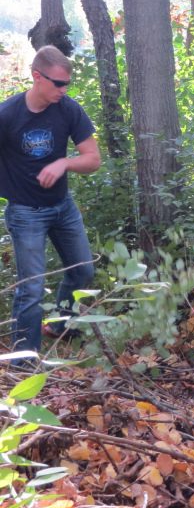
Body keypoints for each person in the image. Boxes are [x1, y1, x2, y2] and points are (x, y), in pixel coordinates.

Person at [1, 45, 101, 355]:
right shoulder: (8, 115)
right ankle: (24, 360)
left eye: (66, 83)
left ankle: (59, 326)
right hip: (25, 212)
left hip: (62, 207)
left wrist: (65, 163)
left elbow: (93, 159)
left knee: (82, 271)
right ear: (37, 77)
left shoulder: (68, 110)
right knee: (31, 287)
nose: (63, 89)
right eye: (58, 83)